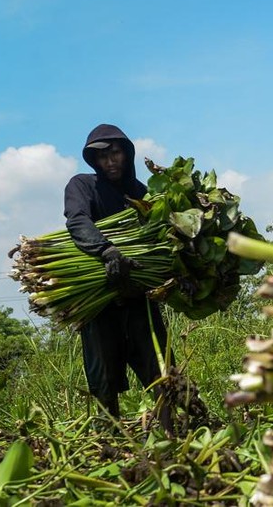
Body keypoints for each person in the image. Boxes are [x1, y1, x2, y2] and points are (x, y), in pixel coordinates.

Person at [64, 123, 173, 434]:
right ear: (93, 161)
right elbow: (78, 220)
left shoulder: (141, 194)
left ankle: (172, 436)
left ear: (127, 154)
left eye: (116, 154)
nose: (110, 162)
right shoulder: (83, 186)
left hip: (137, 296)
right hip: (99, 301)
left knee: (161, 369)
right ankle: (108, 444)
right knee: (103, 379)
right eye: (102, 158)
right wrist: (106, 251)